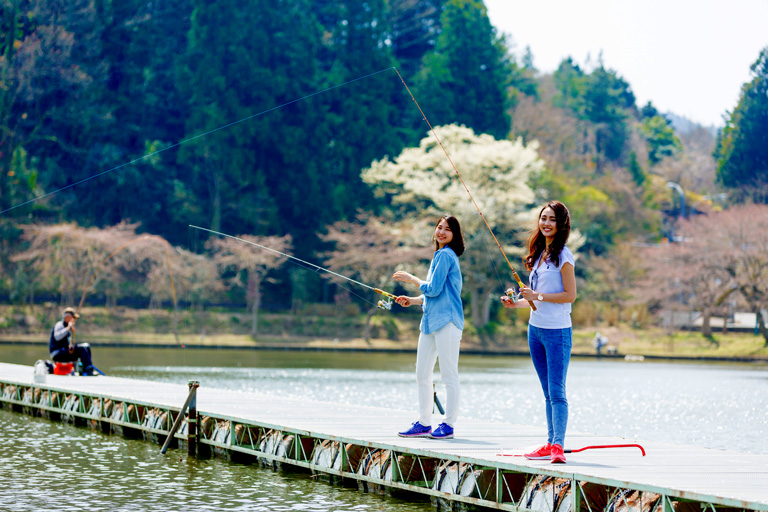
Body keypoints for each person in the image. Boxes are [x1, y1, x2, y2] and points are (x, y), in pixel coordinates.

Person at [501, 200, 576, 463]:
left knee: (557, 391)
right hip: (536, 331)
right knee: (546, 392)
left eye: (552, 219)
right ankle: (549, 442)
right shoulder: (539, 255)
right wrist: (516, 303)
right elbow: (533, 300)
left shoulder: (564, 256)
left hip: (558, 333)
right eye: (543, 218)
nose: (546, 223)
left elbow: (570, 295)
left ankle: (558, 447)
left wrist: (538, 295)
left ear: (561, 224)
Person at [394, 215, 465, 440]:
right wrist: (413, 300)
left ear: (455, 235)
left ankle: (448, 425)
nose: (442, 232)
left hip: (448, 323)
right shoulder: (439, 255)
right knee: (422, 374)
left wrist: (412, 278)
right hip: (430, 323)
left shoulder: (446, 255)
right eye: (439, 227)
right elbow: (433, 295)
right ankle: (424, 423)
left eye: (447, 229)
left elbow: (432, 289)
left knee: (448, 376)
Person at [49, 307, 96, 376]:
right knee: (81, 349)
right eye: (73, 318)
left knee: (86, 346)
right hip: (57, 353)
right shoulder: (60, 325)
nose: (74, 320)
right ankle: (86, 370)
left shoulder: (68, 327)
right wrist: (68, 328)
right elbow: (57, 337)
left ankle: (88, 368)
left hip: (64, 351)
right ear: (67, 317)